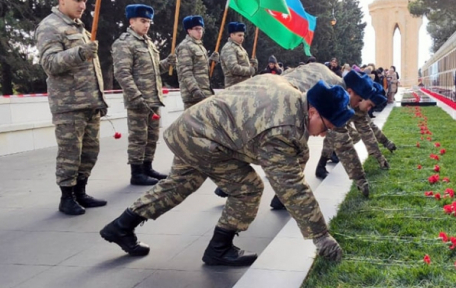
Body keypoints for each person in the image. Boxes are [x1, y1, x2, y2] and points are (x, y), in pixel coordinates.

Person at [100, 77, 353, 265]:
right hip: (205, 138)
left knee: (178, 184)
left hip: (192, 126)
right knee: (249, 188)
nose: (324, 134)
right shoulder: (283, 128)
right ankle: (219, 249)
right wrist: (320, 235)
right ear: (312, 111)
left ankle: (120, 226)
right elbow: (291, 186)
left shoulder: (290, 91)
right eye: (327, 126)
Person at [35, 0, 108, 215]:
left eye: (85, 1)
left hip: (89, 103)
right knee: (70, 154)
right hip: (69, 105)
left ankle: (80, 192)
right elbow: (50, 63)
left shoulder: (80, 29)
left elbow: (92, 68)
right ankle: (66, 197)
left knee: (89, 152)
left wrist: (100, 99)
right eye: (77, 0)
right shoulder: (50, 26)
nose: (82, 5)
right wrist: (79, 53)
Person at [280, 64, 394, 200]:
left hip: (287, 99)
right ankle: (287, 195)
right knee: (299, 152)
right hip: (282, 103)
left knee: (302, 150)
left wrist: (380, 154)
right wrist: (360, 179)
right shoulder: (335, 98)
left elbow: (366, 131)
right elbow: (344, 144)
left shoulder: (340, 91)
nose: (360, 105)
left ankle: (283, 195)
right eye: (360, 101)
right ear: (350, 92)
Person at [112, 4, 176, 186]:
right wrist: (135, 96)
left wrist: (166, 63)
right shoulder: (124, 43)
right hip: (138, 100)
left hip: (153, 99)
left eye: (148, 21)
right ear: (131, 21)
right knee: (138, 137)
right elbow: (122, 73)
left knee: (152, 136)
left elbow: (154, 71)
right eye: (142, 21)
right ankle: (137, 173)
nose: (146, 25)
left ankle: (148, 167)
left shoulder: (148, 44)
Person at [176, 16, 217, 109]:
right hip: (194, 96)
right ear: (189, 30)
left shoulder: (200, 46)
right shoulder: (185, 46)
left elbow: (201, 69)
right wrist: (195, 90)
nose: (199, 31)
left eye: (201, 28)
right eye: (196, 29)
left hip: (205, 92)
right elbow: (185, 72)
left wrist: (211, 62)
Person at [220, 21, 257, 87]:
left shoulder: (240, 48)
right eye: (239, 35)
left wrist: (253, 65)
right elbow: (234, 68)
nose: (242, 38)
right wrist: (250, 70)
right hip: (234, 87)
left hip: (243, 86)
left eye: (243, 35)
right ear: (232, 35)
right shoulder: (229, 48)